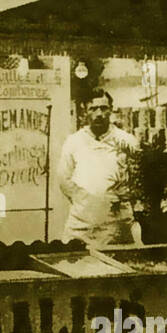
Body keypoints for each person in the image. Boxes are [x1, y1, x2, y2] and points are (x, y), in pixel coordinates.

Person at [57, 87, 138, 246]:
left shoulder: (127, 141)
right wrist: (86, 200)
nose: (99, 113)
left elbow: (136, 180)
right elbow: (64, 180)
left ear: (111, 111)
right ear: (85, 112)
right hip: (80, 228)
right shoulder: (73, 141)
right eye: (93, 109)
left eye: (104, 108)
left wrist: (114, 200)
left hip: (116, 227)